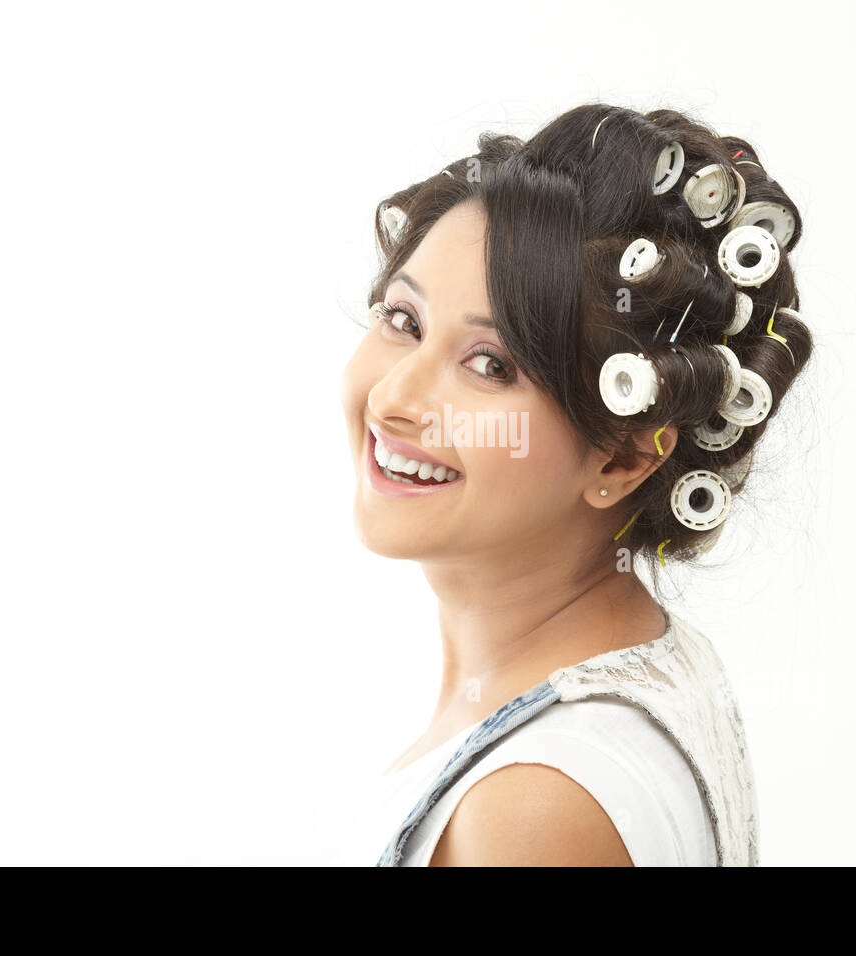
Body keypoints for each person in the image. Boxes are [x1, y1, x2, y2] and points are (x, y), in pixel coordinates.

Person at [336, 103, 812, 866]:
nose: (394, 397)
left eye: (492, 365)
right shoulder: (643, 663)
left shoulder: (528, 813)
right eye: (404, 318)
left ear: (623, 457)